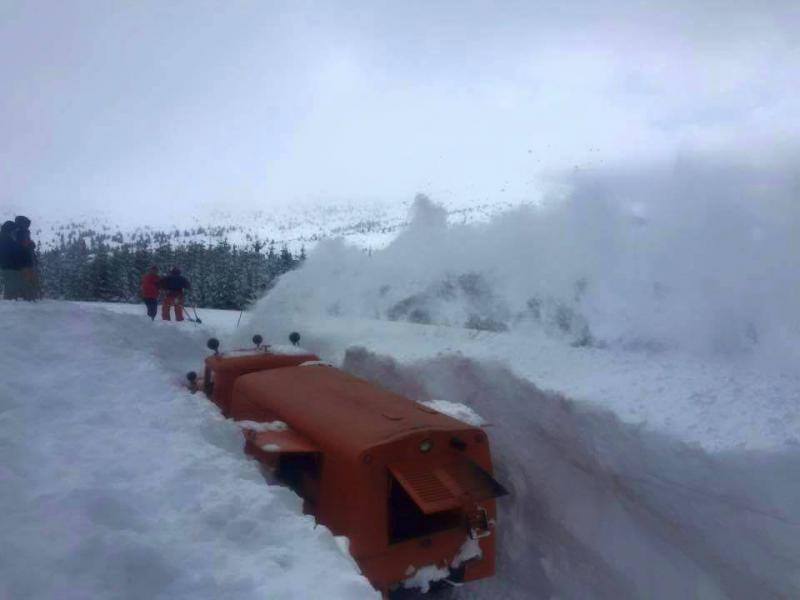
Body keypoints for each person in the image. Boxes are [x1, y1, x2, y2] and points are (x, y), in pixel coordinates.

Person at [13, 216, 38, 301]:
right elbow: (22, 245)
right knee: (27, 280)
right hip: (25, 261)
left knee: (28, 280)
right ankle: (28, 297)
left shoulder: (20, 232)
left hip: (26, 261)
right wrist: (30, 245)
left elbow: (25, 244)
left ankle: (29, 297)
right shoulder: (20, 232)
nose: (28, 225)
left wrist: (30, 244)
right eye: (27, 224)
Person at [0, 220, 23, 300]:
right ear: (9, 230)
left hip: (7, 266)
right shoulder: (7, 239)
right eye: (14, 230)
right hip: (10, 266)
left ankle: (10, 301)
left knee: (10, 285)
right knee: (11, 285)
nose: (15, 232)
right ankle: (10, 301)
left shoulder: (4, 238)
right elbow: (12, 252)